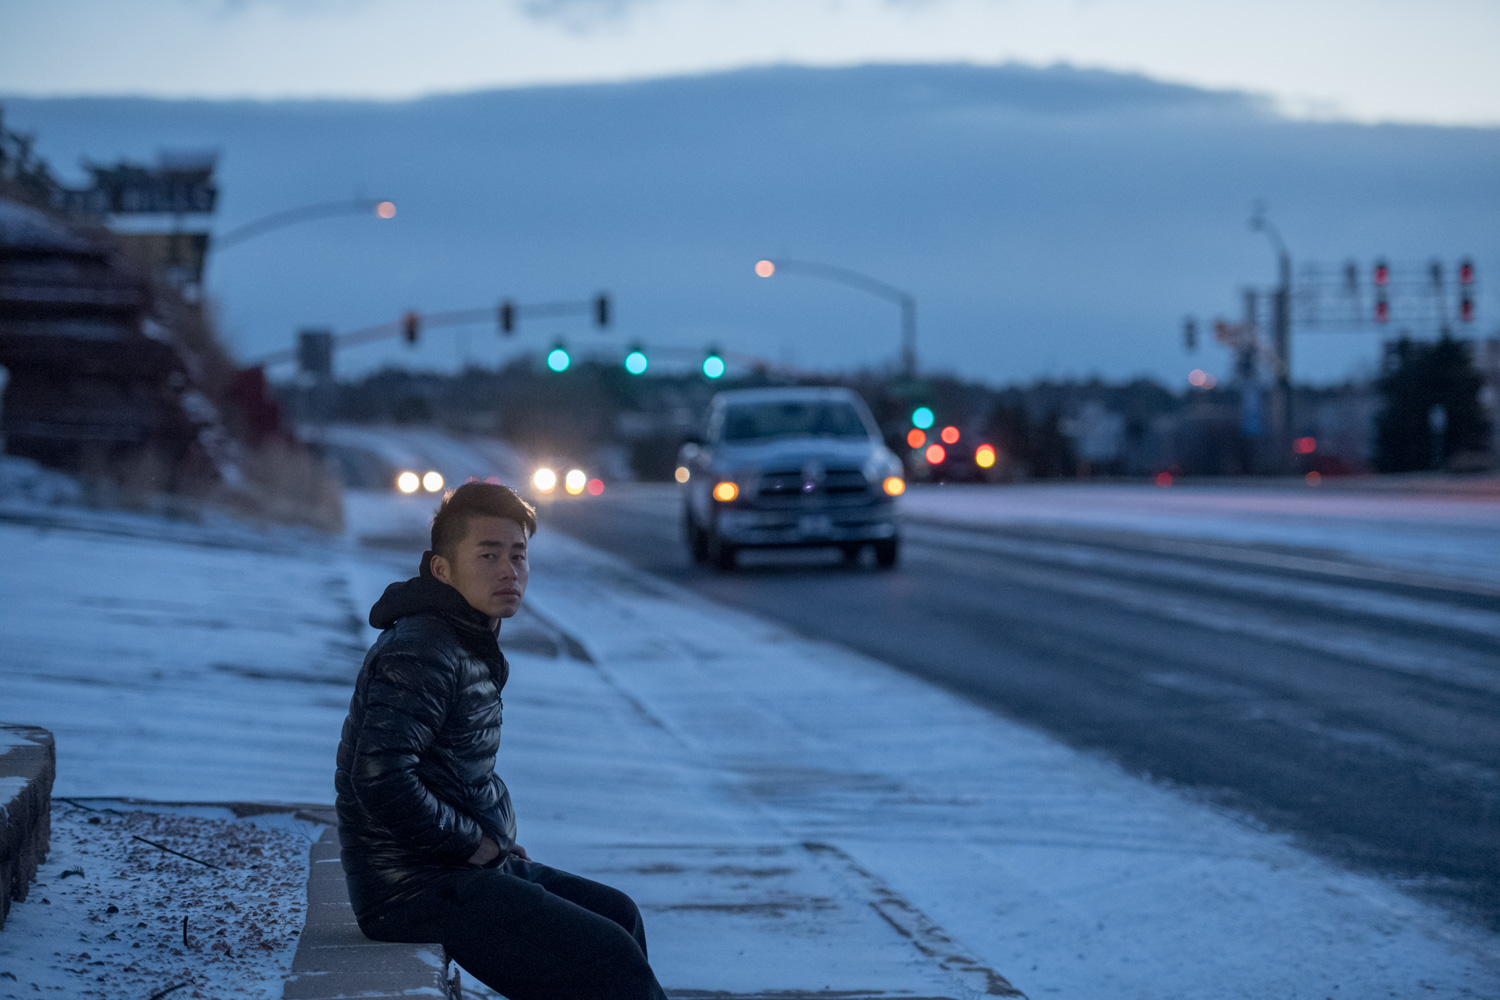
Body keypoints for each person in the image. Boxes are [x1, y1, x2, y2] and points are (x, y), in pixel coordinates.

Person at [334, 481, 668, 1000]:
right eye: (488, 555)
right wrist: (474, 843)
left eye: (518, 554)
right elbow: (379, 778)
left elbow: (453, 769)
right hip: (408, 887)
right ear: (442, 569)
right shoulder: (422, 649)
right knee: (608, 955)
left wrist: (493, 839)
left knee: (618, 914)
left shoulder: (462, 638)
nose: (509, 571)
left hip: (445, 866)